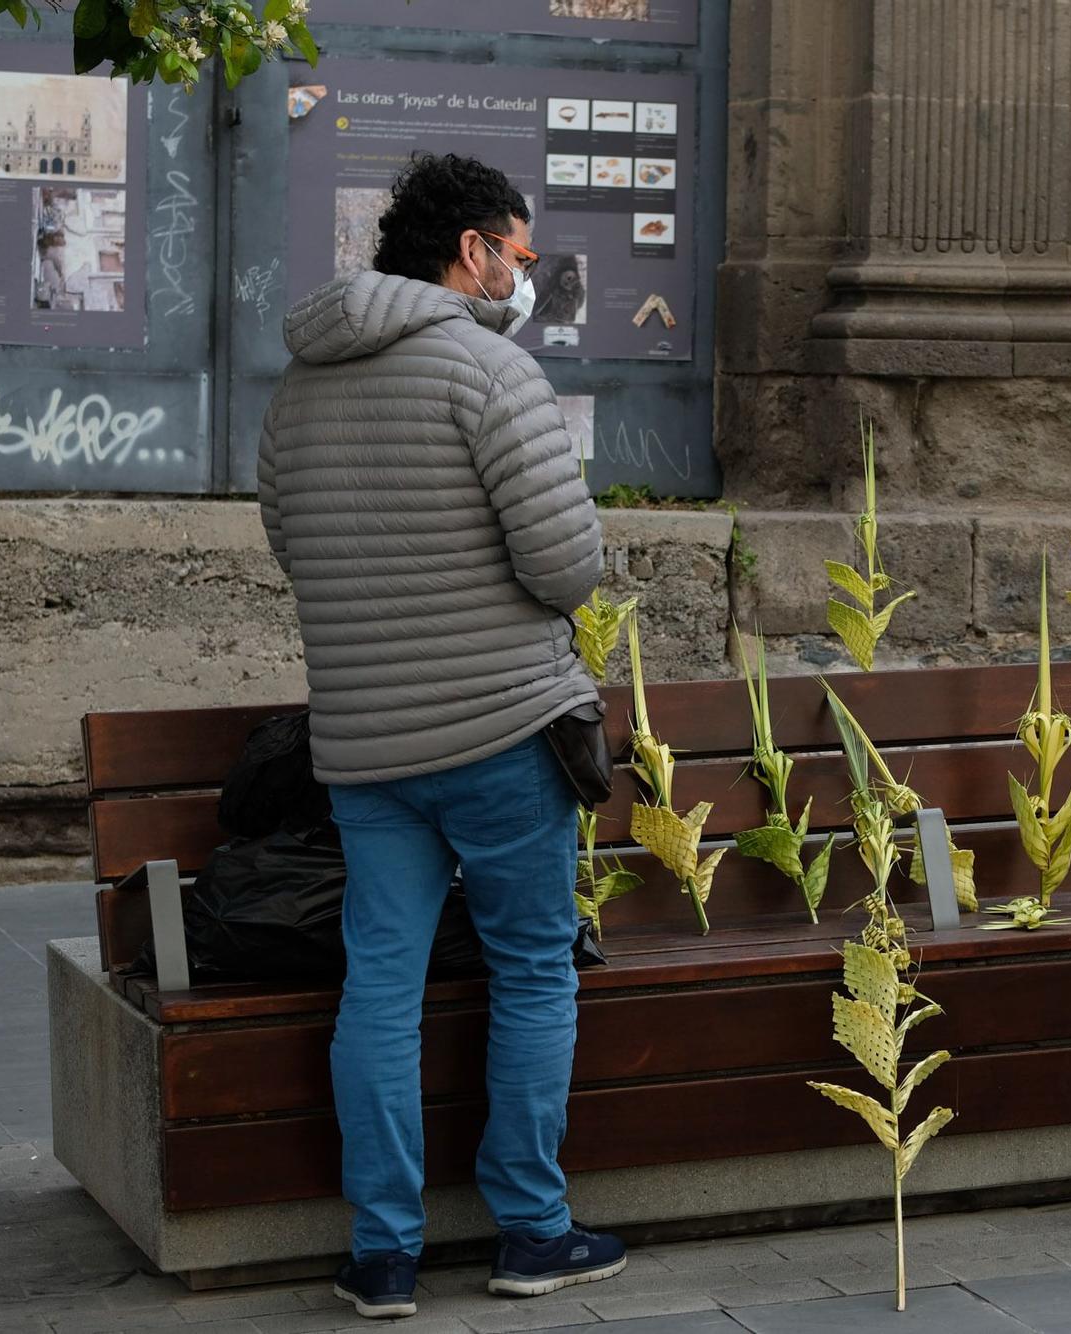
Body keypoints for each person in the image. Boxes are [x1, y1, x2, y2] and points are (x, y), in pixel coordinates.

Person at [257, 152, 623, 1319]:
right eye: (518, 252)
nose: (523, 272)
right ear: (470, 251)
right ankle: (531, 1228)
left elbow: (291, 547)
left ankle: (383, 1254)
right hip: (503, 730)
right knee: (531, 968)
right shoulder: (488, 368)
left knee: (380, 983)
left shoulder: (297, 389)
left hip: (365, 745)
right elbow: (566, 564)